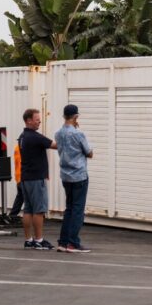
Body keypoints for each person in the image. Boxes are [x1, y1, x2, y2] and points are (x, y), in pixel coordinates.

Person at [56, 104, 93, 253]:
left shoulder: (58, 134)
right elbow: (89, 153)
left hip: (65, 175)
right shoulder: (78, 134)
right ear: (75, 117)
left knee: (69, 208)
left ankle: (63, 242)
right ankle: (73, 243)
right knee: (78, 210)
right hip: (79, 175)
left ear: (64, 116)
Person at [18, 108, 56, 250]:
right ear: (28, 120)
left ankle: (28, 240)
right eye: (37, 119)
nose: (39, 122)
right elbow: (55, 145)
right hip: (36, 178)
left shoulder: (22, 137)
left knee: (28, 210)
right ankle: (39, 240)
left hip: (25, 177)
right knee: (39, 210)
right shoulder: (35, 137)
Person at [7, 141, 23, 223]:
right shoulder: (23, 149)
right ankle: (33, 217)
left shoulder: (17, 148)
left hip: (18, 176)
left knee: (20, 197)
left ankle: (13, 215)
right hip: (24, 176)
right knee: (28, 198)